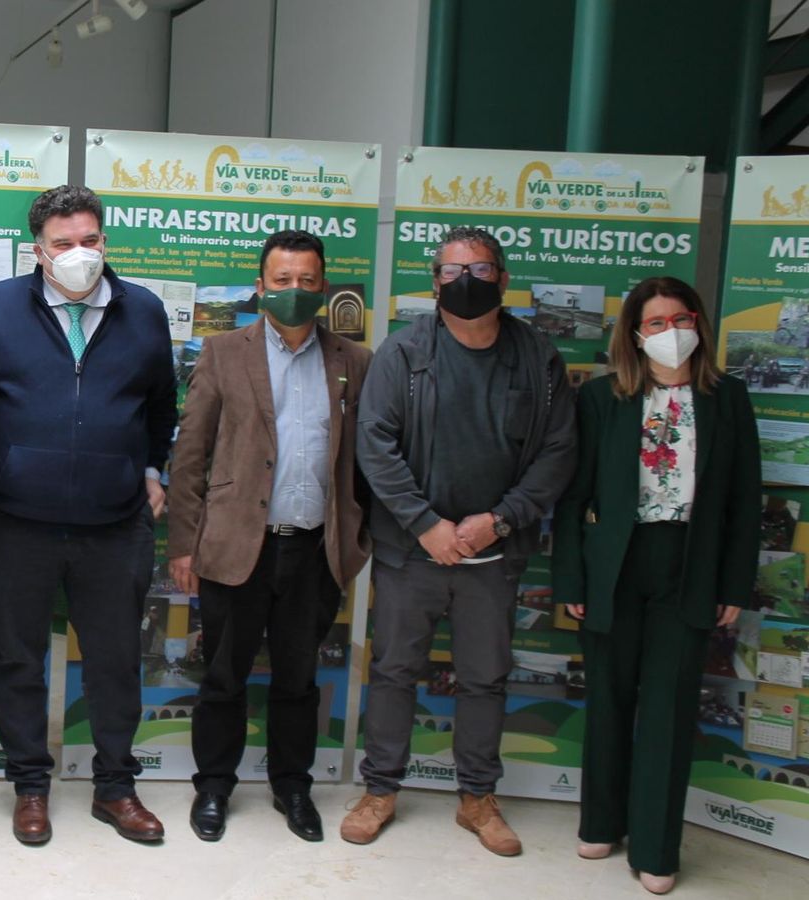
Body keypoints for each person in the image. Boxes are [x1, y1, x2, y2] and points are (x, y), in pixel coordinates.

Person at [345, 226, 575, 854]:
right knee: (393, 670)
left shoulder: (538, 357)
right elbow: (376, 444)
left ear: (502, 277)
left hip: (494, 551)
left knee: (485, 677)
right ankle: (380, 790)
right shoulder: (402, 353)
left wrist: (496, 521)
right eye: (452, 271)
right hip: (410, 549)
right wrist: (427, 525)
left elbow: (557, 453)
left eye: (479, 269)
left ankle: (477, 798)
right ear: (434, 281)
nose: (465, 281)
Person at [0, 185, 177, 845]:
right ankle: (31, 786)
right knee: (16, 659)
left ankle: (116, 787)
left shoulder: (143, 311)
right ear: (39, 249)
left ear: (104, 240)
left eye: (90, 240)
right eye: (64, 244)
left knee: (116, 660)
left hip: (115, 523)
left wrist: (150, 469)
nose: (79, 254)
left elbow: (161, 406)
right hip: (11, 520)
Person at [553, 277, 760, 895]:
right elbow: (573, 496)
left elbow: (746, 503)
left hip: (690, 567)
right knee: (610, 699)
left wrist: (733, 584)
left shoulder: (728, 398)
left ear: (698, 323)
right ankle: (602, 821)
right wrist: (571, 575)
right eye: (655, 323)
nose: (670, 333)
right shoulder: (600, 399)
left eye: (680, 318)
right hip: (615, 564)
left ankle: (655, 845)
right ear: (634, 335)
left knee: (668, 709)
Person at [167, 230, 372, 843]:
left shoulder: (354, 362)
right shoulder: (225, 352)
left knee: (297, 678)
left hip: (314, 549)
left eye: (307, 281)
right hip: (235, 547)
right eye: (282, 281)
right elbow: (190, 456)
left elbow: (366, 463)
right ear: (261, 286)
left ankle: (292, 785)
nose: (294, 291)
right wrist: (184, 544)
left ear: (324, 288)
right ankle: (214, 785)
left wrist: (355, 543)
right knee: (224, 674)